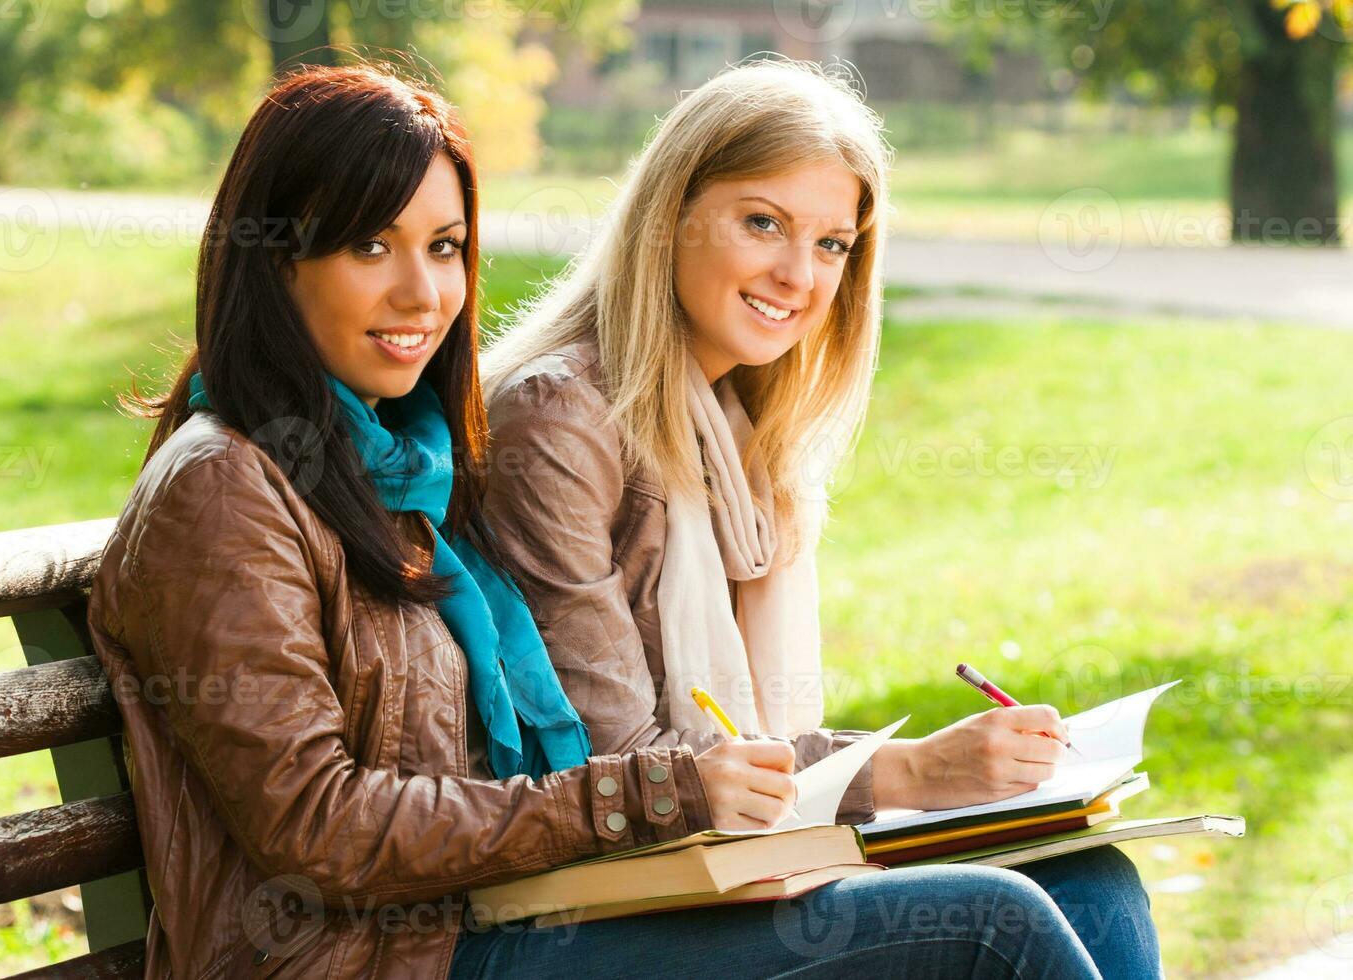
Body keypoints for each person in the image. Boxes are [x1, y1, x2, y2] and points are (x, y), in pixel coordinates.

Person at [88, 62, 1105, 979]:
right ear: (275, 260)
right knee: (993, 925)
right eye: (369, 244)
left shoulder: (394, 471)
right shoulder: (224, 487)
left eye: (446, 247)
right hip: (370, 957)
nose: (424, 291)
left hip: (485, 921)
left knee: (1091, 886)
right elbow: (321, 826)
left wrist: (901, 774)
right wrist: (645, 797)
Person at [480, 59, 1162, 979]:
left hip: (719, 868)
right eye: (763, 222)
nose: (799, 276)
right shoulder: (560, 418)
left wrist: (942, 778)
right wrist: (912, 774)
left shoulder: (741, 436)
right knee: (997, 921)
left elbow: (745, 748)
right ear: (668, 215)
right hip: (578, 902)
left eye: (834, 245)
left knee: (1095, 879)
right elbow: (624, 759)